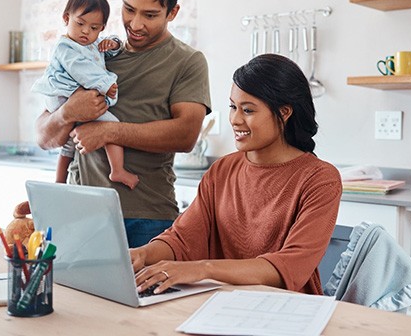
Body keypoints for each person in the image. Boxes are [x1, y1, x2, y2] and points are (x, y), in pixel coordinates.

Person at [35, 0, 211, 247]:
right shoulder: (93, 54)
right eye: (129, 10)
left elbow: (186, 135)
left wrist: (108, 131)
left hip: (148, 218)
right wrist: (67, 112)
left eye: (150, 15)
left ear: (173, 12)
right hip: (81, 212)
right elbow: (43, 136)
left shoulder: (187, 62)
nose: (136, 24)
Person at [131, 54, 342, 296]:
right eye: (233, 107)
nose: (235, 119)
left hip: (289, 310)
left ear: (284, 112)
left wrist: (203, 269)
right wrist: (141, 254)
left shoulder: (320, 179)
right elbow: (183, 238)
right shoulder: (222, 170)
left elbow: (289, 266)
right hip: (220, 303)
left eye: (248, 110)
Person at [32, 0, 139, 189]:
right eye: (80, 24)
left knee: (69, 143)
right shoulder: (66, 46)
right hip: (62, 96)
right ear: (66, 18)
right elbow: (82, 70)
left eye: (94, 28)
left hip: (66, 96)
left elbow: (107, 49)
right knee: (112, 124)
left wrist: (112, 43)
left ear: (102, 28)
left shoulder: (92, 43)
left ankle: (59, 183)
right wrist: (106, 85)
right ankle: (118, 170)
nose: (85, 32)